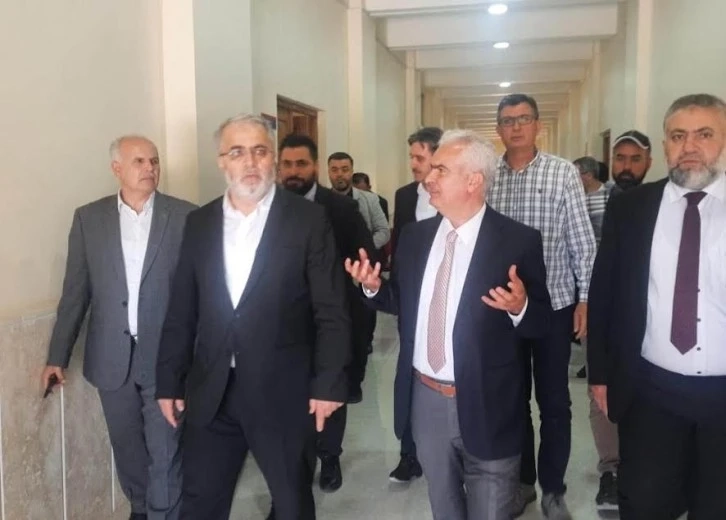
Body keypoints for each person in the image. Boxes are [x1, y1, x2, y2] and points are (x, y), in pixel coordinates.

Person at [346, 129, 551, 519]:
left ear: (473, 181)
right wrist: (373, 288)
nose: (429, 178)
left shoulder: (517, 241)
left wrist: (520, 305)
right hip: (426, 400)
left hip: (489, 401)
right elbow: (403, 301)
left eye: (441, 169)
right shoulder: (415, 237)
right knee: (444, 506)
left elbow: (541, 324)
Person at [155, 114, 351, 520]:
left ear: (273, 159)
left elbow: (331, 309)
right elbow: (181, 309)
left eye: (260, 151)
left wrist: (329, 383)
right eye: (237, 152)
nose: (250, 162)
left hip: (284, 392)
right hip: (213, 392)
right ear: (221, 161)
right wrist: (168, 380)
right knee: (200, 502)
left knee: (292, 502)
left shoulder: (307, 220)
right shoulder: (199, 223)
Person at [41, 135, 196, 520]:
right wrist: (57, 357)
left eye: (154, 161)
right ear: (117, 168)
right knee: (127, 448)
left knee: (166, 449)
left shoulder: (186, 216)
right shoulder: (89, 219)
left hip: (166, 359)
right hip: (112, 358)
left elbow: (200, 294)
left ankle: (163, 513)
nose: (150, 168)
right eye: (139, 161)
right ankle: (141, 508)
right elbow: (75, 292)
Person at [588, 93, 726, 519]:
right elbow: (605, 292)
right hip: (652, 389)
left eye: (704, 134)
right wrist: (600, 375)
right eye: (678, 136)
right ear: (664, 145)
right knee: (645, 503)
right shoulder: (631, 207)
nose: (690, 146)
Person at [489, 93, 597, 519]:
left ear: (537, 125)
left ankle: (553, 488)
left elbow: (581, 241)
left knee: (554, 403)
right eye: (507, 120)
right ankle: (523, 484)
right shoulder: (488, 176)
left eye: (523, 118)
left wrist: (585, 298)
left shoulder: (562, 173)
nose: (516, 126)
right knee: (512, 401)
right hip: (503, 309)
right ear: (498, 129)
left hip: (553, 306)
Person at [276, 133, 376, 496]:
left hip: (330, 323)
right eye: (287, 164)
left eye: (301, 164)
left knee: (331, 391)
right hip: (283, 327)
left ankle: (330, 456)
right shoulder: (269, 208)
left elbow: (366, 259)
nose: (294, 171)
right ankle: (293, 471)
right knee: (288, 402)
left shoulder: (340, 209)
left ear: (315, 167)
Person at [386, 126, 443, 484]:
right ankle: (408, 454)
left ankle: (447, 452)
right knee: (407, 373)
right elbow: (398, 244)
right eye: (412, 156)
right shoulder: (405, 196)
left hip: (445, 297)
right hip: (410, 299)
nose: (413, 163)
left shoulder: (454, 193)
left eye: (419, 157)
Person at [573, 155, 619, 512]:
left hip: (632, 303)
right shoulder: (572, 202)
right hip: (594, 302)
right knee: (599, 389)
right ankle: (611, 470)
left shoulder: (619, 198)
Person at [610, 130, 653, 194]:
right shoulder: (597, 197)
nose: (627, 167)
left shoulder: (658, 199)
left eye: (635, 160)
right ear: (612, 160)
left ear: (648, 164)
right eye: (620, 159)